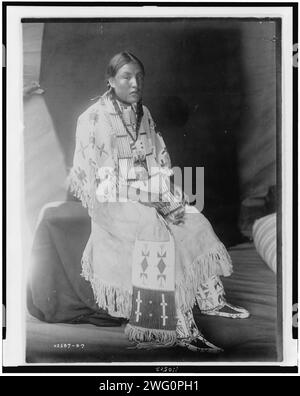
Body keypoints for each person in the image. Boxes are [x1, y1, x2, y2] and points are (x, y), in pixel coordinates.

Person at [69, 51, 249, 352]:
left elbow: (158, 160)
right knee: (155, 230)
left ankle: (211, 300)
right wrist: (149, 199)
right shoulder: (92, 119)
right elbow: (102, 182)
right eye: (127, 76)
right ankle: (177, 326)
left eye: (139, 76)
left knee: (192, 218)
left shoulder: (144, 112)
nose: (135, 82)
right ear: (110, 80)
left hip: (145, 191)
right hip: (110, 201)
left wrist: (168, 194)